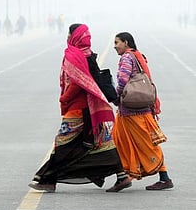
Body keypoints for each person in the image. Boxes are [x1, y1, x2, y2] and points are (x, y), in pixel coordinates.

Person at [28, 24, 131, 193]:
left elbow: (76, 83)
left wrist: (64, 98)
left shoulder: (74, 55)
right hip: (92, 108)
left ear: (73, 36)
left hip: (78, 108)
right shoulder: (88, 55)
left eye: (69, 33)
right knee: (100, 142)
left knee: (63, 142)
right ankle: (121, 175)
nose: (67, 36)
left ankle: (47, 178)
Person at [112, 32, 174, 190]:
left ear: (126, 42)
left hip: (131, 110)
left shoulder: (126, 57)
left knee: (144, 144)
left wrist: (117, 97)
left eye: (117, 42)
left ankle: (164, 178)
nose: (114, 46)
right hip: (141, 107)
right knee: (123, 140)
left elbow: (122, 80)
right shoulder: (138, 56)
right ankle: (124, 176)